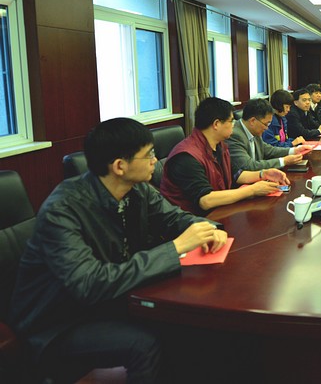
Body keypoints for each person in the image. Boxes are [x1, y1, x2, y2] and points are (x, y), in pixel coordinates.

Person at [8, 118, 229, 383]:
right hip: (57, 322)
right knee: (143, 344)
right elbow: (89, 283)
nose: (155, 160)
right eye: (148, 154)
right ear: (120, 166)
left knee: (185, 325)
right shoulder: (63, 209)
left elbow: (174, 218)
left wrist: (208, 228)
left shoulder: (138, 190)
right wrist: (176, 248)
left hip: (111, 300)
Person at [160, 97, 288, 216]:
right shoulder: (186, 156)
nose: (234, 124)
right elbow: (206, 200)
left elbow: (235, 175)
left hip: (220, 211)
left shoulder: (219, 145)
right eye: (231, 121)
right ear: (216, 124)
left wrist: (264, 174)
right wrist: (252, 190)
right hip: (193, 222)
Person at [226, 98, 312, 173]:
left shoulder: (253, 130)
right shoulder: (234, 135)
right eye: (266, 124)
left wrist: (293, 151)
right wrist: (283, 161)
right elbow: (248, 166)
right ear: (252, 121)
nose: (267, 128)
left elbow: (267, 150)